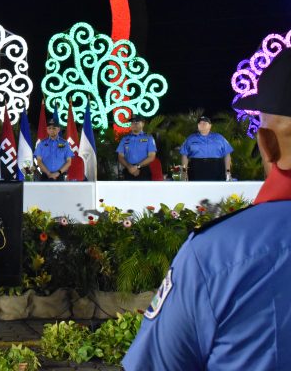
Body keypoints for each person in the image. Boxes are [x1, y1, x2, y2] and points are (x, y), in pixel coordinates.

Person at [123, 47, 291, 370]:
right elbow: (184, 157)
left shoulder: (213, 255)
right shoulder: (216, 254)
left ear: (267, 145)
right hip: (196, 173)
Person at [180, 115, 234, 181]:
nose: (202, 125)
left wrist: (228, 171)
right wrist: (184, 172)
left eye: (204, 123)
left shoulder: (219, 138)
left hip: (217, 169)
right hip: (196, 170)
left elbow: (227, 155)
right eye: (200, 123)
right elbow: (184, 155)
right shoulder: (190, 138)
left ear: (210, 126)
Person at [116, 115, 157, 180]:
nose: (134, 124)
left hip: (143, 171)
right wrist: (129, 167)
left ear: (143, 124)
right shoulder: (125, 139)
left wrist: (137, 166)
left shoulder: (149, 138)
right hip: (128, 170)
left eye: (137, 122)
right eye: (132, 122)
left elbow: (152, 156)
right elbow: (120, 156)